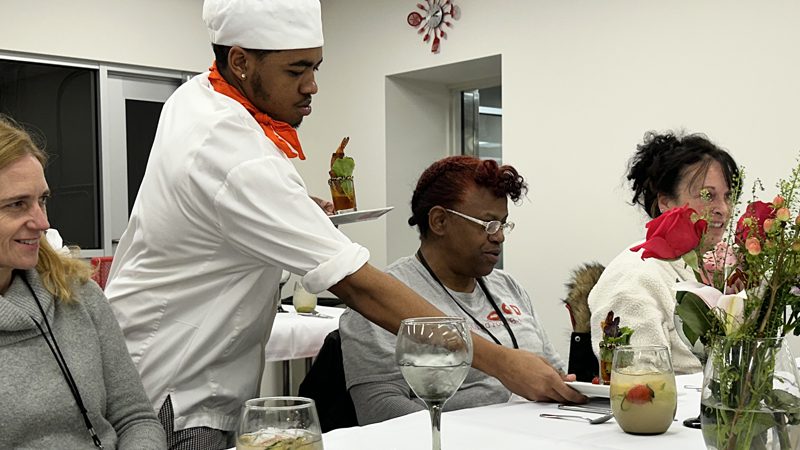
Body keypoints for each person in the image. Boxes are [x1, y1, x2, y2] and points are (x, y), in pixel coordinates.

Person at [106, 1, 584, 447]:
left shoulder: (198, 98)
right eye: (297, 70)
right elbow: (360, 288)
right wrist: (504, 365)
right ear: (240, 61)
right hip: (176, 389)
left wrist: (292, 206)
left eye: (315, 67)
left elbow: (220, 211)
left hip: (161, 368)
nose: (312, 85)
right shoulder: (236, 153)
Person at [339, 156, 569, 424]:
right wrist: (470, 435)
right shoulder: (379, 302)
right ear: (439, 221)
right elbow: (378, 409)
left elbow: (554, 373)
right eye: (488, 224)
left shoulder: (508, 287)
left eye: (503, 224)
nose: (499, 236)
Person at [0, 116, 166, 449]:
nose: (42, 222)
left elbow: (136, 418)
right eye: (18, 204)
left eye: (42, 200)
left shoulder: (77, 293)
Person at [588, 131, 739, 374]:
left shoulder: (717, 268)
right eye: (707, 196)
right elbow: (639, 382)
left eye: (727, 196)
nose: (722, 209)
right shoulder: (636, 273)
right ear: (666, 202)